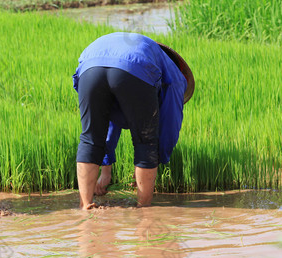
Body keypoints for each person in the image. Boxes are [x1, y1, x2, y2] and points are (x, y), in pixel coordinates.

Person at [73, 32, 195, 209]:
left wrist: (106, 170)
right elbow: (170, 124)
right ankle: (143, 210)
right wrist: (155, 159)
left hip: (89, 67)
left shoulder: (146, 50)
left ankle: (85, 206)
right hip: (134, 69)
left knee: (90, 139)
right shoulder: (176, 76)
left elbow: (111, 118)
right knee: (146, 141)